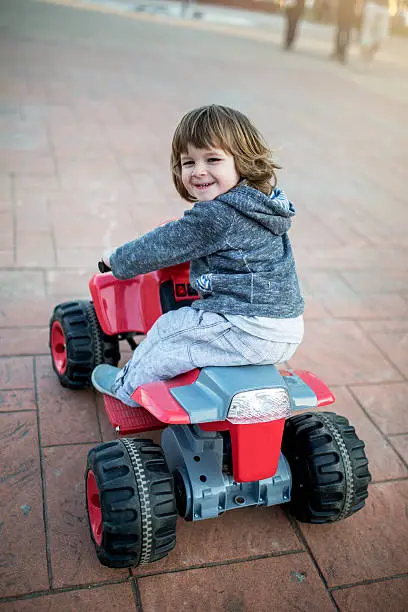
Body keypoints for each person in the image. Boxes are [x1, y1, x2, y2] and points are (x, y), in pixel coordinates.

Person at [91, 105, 305, 408]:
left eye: (213, 159)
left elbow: (163, 244)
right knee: (194, 330)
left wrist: (117, 260)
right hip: (285, 326)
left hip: (247, 325)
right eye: (188, 161)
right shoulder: (263, 204)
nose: (198, 171)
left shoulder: (218, 215)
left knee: (169, 330)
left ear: (242, 161)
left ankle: (127, 388)